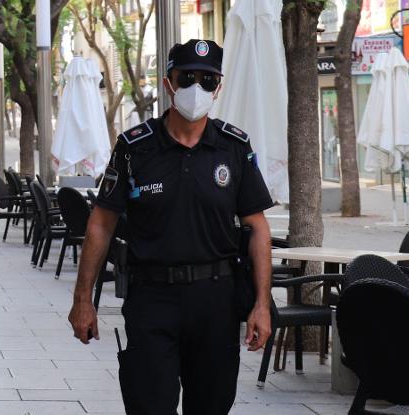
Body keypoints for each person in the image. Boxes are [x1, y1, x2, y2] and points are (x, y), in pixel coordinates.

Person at [67, 39, 274, 415]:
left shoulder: (234, 147)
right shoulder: (134, 147)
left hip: (216, 301)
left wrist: (262, 305)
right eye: (187, 77)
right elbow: (100, 223)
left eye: (208, 80)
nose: (198, 88)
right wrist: (83, 299)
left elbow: (258, 228)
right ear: (168, 83)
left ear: (219, 86)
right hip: (152, 300)